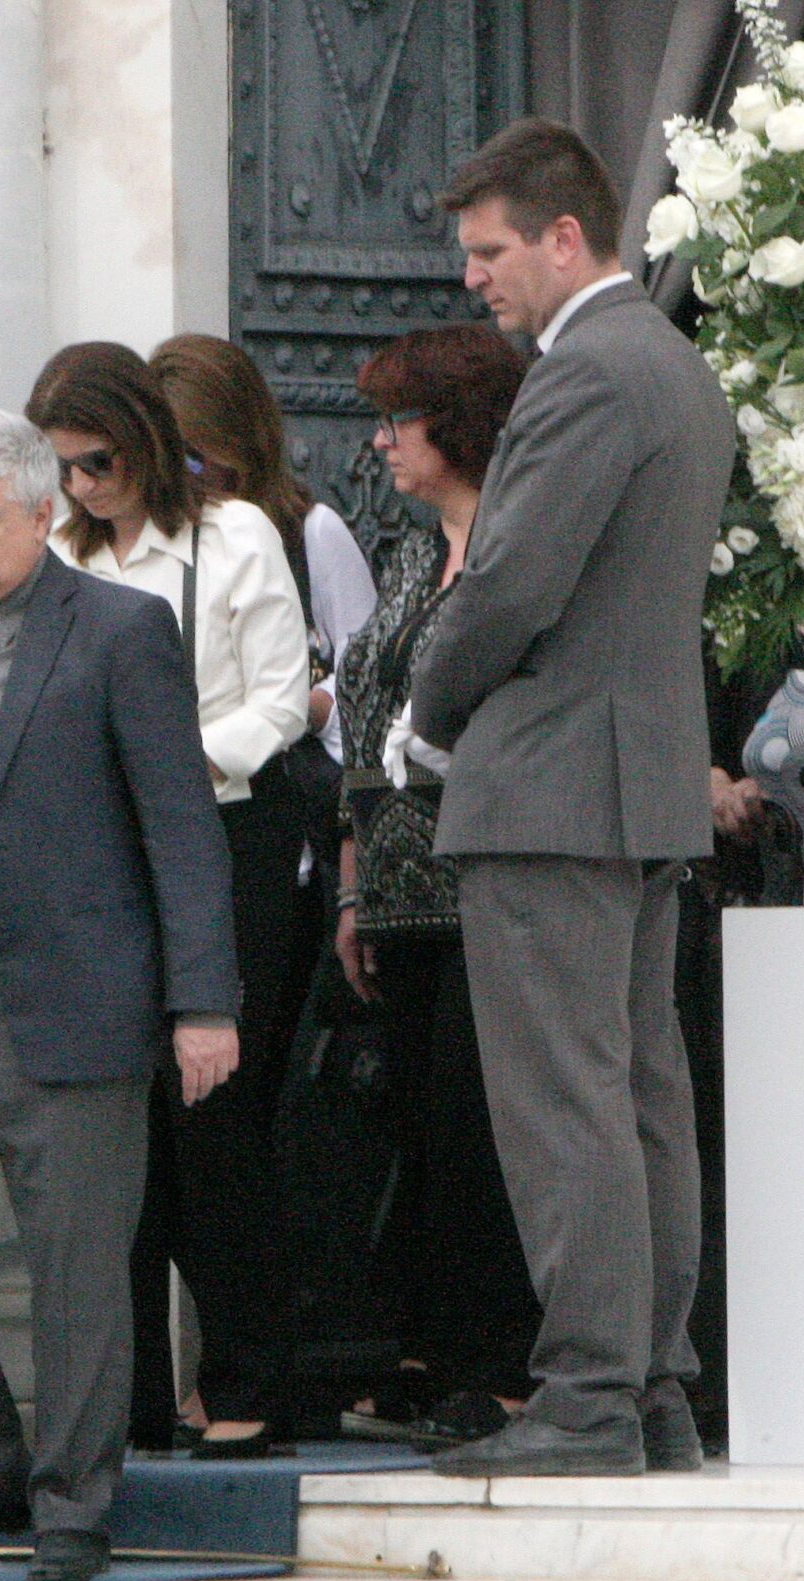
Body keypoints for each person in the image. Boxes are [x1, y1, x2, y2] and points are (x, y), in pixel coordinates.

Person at [0, 407, 240, 1581]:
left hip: (72, 984)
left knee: (77, 1257)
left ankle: (73, 1503)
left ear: (39, 512)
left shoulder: (120, 629)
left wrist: (203, 1001)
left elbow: (181, 824)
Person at [409, 119, 735, 1476]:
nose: (473, 278)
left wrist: (425, 714)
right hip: (634, 781)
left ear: (562, 236)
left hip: (551, 787)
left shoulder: (585, 370)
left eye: (489, 251)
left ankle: (590, 1397)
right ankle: (649, 1390)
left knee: (567, 1103)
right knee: (637, 1095)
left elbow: (508, 585)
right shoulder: (670, 363)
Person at [24, 343, 308, 1456]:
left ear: (145, 439)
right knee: (116, 1127)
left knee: (216, 1118)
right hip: (104, 853)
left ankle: (247, 1377)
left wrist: (169, 764)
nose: (84, 486)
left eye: (98, 461)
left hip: (226, 834)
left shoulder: (234, 536)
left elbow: (281, 700)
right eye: (64, 468)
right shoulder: (60, 554)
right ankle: (132, 1395)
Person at [333, 325, 540, 1444]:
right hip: (399, 890)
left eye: (397, 420)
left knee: (482, 1127)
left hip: (489, 878)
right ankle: (432, 1347)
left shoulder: (520, 543)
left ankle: (501, 1365)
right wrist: (353, 883)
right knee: (418, 1124)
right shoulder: (413, 554)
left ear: (457, 424)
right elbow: (365, 714)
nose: (381, 442)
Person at [148, 331, 379, 1096]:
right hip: (168, 842)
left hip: (277, 840)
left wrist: (301, 707)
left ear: (238, 444)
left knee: (242, 1083)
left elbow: (368, 680)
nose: (185, 478)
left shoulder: (309, 533)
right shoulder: (146, 541)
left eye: (196, 457)